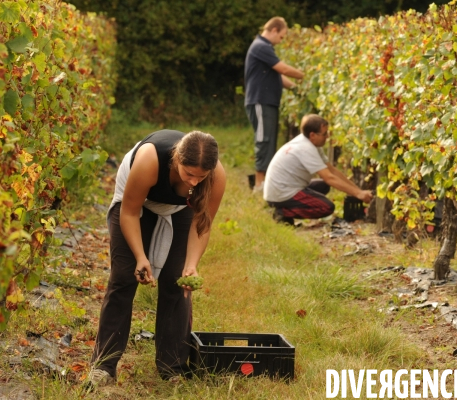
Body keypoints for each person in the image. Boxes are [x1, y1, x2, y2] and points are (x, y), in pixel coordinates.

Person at [86, 130, 226, 388]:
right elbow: (129, 212)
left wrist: (191, 265)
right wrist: (141, 257)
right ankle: (103, 366)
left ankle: (172, 367)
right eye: (188, 174)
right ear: (176, 160)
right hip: (135, 204)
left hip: (179, 209)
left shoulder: (215, 176)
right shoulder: (151, 160)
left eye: (201, 176)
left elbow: (201, 224)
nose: (194, 182)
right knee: (124, 278)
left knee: (177, 281)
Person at [263, 114, 373, 224]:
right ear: (312, 135)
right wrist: (358, 194)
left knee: (323, 186)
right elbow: (329, 178)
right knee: (326, 207)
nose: (327, 137)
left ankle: (285, 210)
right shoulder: (306, 149)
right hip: (281, 194)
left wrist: (358, 191)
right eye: (324, 134)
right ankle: (282, 212)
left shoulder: (309, 142)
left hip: (281, 189)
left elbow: (332, 170)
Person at [244, 16, 304, 193]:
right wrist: (304, 76)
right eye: (282, 37)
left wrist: (297, 89)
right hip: (260, 101)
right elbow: (283, 69)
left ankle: (263, 184)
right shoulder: (261, 46)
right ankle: (259, 185)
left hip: (267, 102)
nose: (281, 41)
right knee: (264, 140)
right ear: (274, 30)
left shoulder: (264, 47)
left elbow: (279, 76)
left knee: (269, 141)